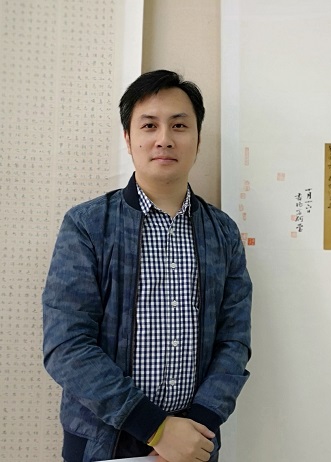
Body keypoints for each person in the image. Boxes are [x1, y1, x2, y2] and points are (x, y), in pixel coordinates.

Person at [42, 69, 252, 462]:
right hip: (103, 441)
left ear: (198, 139)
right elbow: (66, 346)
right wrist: (156, 428)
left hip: (194, 441)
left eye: (179, 125)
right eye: (149, 125)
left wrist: (196, 428)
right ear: (128, 138)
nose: (164, 139)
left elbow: (234, 341)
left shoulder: (223, 232)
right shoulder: (87, 225)